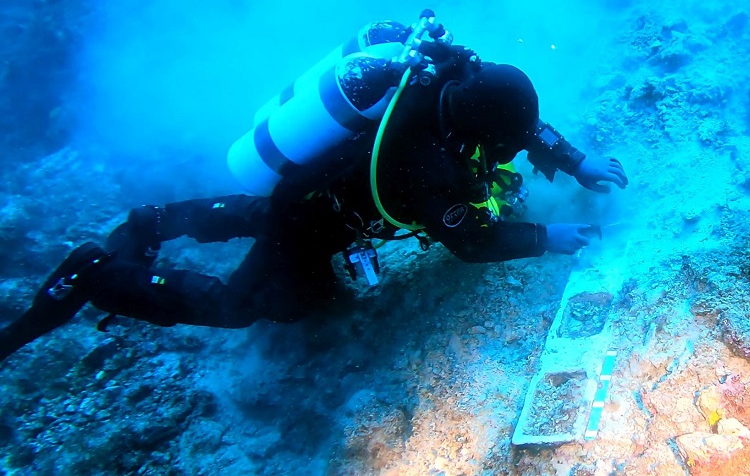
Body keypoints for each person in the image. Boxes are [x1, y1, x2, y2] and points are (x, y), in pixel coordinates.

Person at [0, 24, 627, 363]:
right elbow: (472, 242)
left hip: (319, 188)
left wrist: (575, 161)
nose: (513, 151)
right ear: (474, 128)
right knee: (251, 303)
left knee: (272, 207)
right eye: (505, 146)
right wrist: (547, 236)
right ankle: (98, 275)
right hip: (311, 222)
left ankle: (156, 219)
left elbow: (514, 118)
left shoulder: (454, 76)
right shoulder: (427, 167)